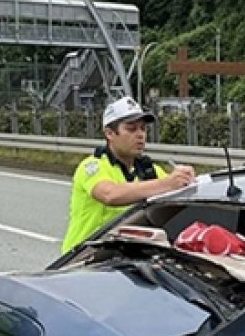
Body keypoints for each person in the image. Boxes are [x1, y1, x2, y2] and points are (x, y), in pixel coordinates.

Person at [60, 97, 197, 254]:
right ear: (110, 133)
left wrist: (186, 180)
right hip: (82, 258)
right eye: (131, 129)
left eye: (143, 129)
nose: (140, 135)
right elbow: (110, 195)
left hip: (122, 256)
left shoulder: (149, 170)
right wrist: (167, 184)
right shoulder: (92, 166)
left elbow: (174, 194)